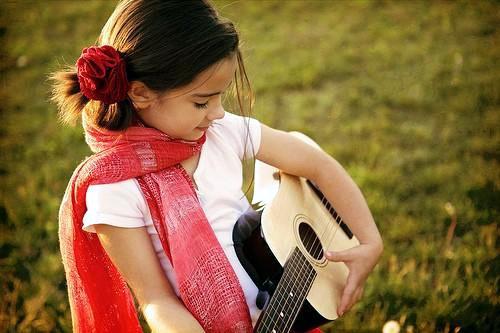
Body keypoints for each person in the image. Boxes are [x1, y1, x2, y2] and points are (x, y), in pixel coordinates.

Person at [50, 0, 383, 332]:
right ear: (140, 93)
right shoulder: (114, 190)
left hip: (287, 312)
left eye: (219, 96)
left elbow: (318, 165)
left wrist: (369, 243)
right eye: (201, 102)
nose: (218, 112)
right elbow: (155, 299)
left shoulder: (222, 132)